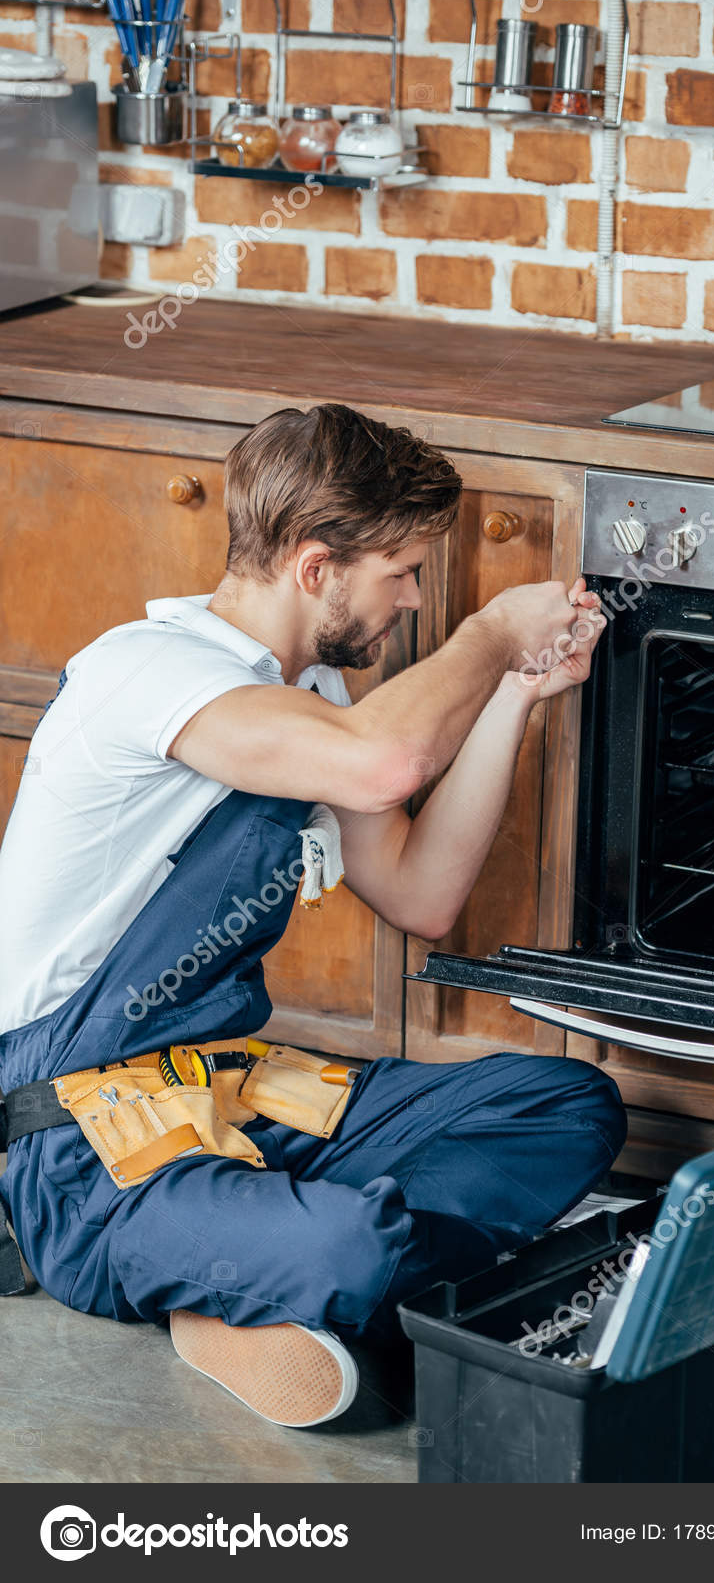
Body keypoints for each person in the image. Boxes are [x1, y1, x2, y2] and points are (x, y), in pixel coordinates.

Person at [0, 404, 625, 1428]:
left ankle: (252, 1282)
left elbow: (422, 894)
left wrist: (518, 689)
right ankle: (283, 1272)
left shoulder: (317, 695)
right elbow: (386, 761)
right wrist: (488, 631)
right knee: (352, 1243)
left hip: (232, 1092)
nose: (416, 598)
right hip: (85, 1150)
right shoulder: (148, 672)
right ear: (315, 565)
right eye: (403, 572)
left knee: (567, 1102)